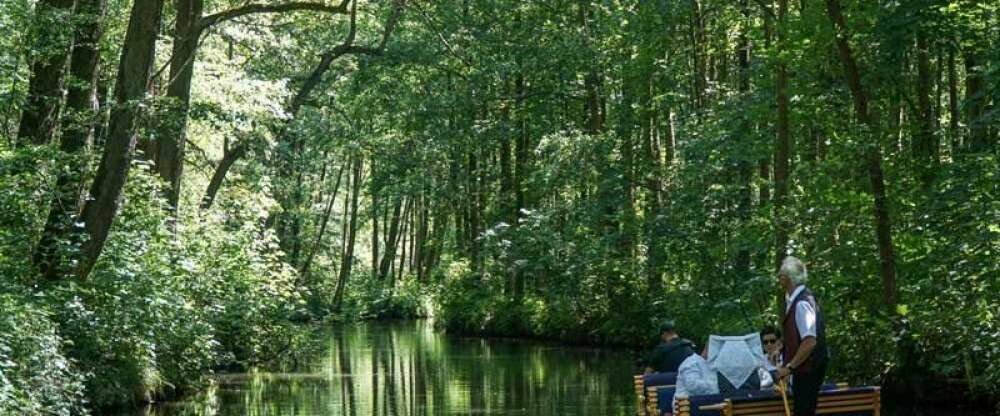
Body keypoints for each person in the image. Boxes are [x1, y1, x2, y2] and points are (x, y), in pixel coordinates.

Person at [775, 256, 829, 416]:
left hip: (808, 369)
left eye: (780, 275)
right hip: (806, 368)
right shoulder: (800, 299)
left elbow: (810, 341)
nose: (778, 278)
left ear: (788, 278)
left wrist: (789, 367)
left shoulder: (801, 303)